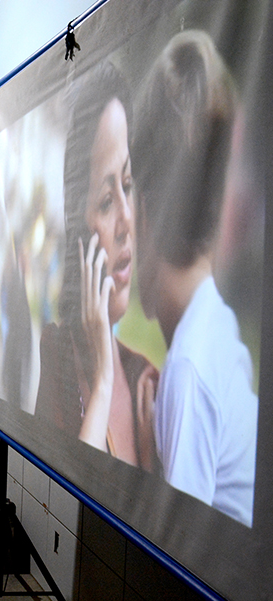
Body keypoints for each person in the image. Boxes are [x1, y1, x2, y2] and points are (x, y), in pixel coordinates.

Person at [131, 30, 256, 527]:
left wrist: (146, 459)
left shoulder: (187, 371)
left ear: (146, 207)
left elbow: (177, 549)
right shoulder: (217, 325)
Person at [35, 62, 158, 471]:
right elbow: (62, 494)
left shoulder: (147, 380)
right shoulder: (58, 355)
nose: (126, 221)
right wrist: (102, 382)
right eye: (106, 201)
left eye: (128, 185)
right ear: (77, 229)